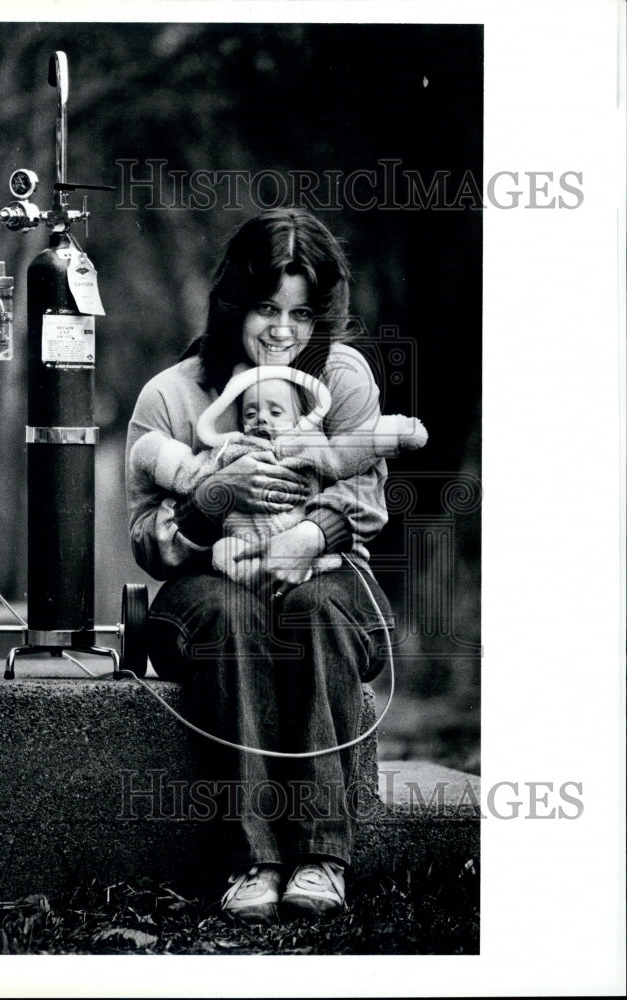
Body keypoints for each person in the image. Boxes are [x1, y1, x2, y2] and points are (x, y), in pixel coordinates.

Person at [125, 207, 397, 924]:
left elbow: (365, 493)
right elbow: (147, 544)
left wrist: (310, 534)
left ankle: (320, 856)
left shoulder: (341, 377)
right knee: (227, 613)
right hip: (212, 586)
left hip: (328, 578)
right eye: (265, 309)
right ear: (231, 303)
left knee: (314, 611)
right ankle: (251, 861)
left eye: (301, 314)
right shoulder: (172, 394)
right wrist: (214, 495)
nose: (282, 331)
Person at [129, 363, 426, 589]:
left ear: (300, 420)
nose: (261, 418)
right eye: (250, 413)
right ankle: (254, 577)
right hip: (243, 546)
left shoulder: (307, 447)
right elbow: (192, 471)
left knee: (320, 590)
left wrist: (393, 434)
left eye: (275, 411)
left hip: (299, 538)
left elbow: (343, 455)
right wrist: (156, 453)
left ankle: (298, 574)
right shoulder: (230, 450)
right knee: (225, 556)